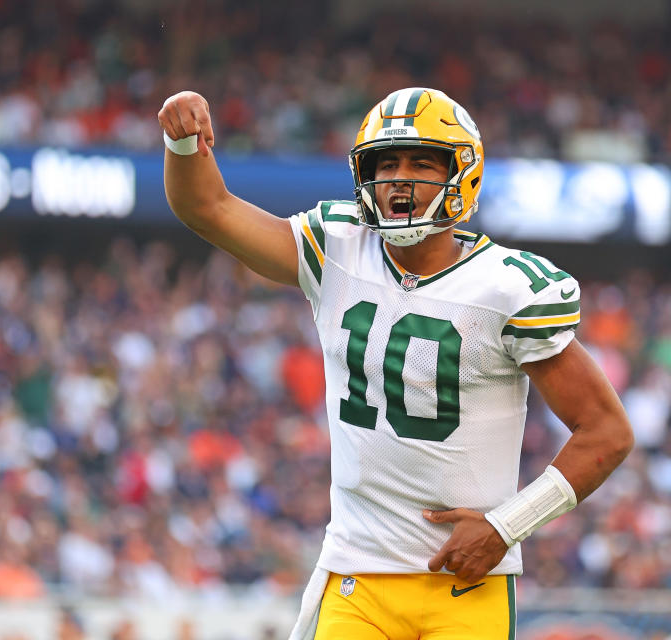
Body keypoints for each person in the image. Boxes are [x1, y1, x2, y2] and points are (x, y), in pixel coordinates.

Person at [159, 87, 634, 640]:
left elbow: (607, 432)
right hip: (356, 577)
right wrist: (183, 142)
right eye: (387, 164)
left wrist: (507, 526)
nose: (400, 179)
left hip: (465, 583)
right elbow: (208, 208)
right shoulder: (335, 247)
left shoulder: (507, 287)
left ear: (463, 175)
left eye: (422, 163)